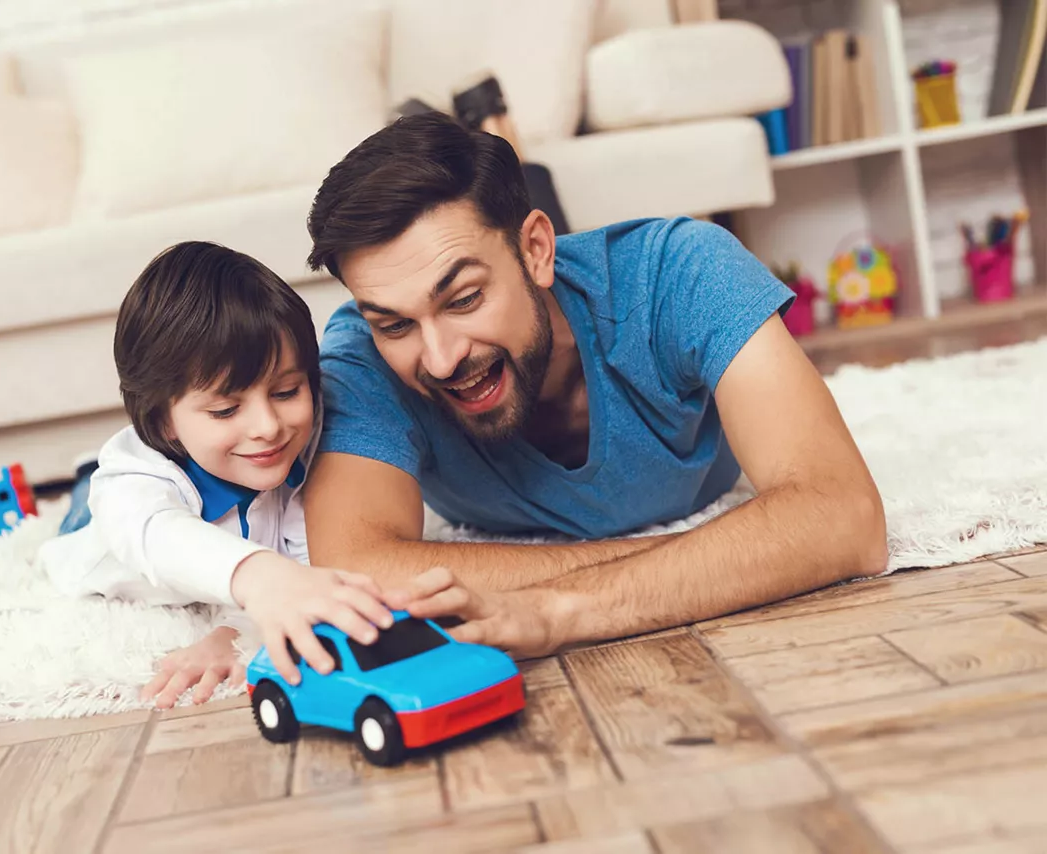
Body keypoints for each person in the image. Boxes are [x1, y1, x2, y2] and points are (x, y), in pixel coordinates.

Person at [302, 114, 887, 658]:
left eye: (464, 299)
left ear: (535, 250)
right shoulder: (362, 353)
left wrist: (556, 610)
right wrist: (707, 556)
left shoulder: (682, 270)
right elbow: (354, 566)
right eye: (396, 323)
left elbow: (845, 517)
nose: (441, 358)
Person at [37, 242, 394, 708]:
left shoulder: (304, 441)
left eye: (287, 391)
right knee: (93, 496)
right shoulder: (135, 488)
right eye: (226, 409)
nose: (268, 427)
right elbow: (156, 533)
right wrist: (260, 576)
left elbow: (309, 564)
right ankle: (89, 471)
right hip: (104, 537)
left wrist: (234, 630)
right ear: (164, 420)